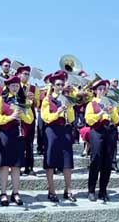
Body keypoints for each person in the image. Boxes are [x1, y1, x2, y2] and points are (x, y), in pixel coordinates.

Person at [0, 75, 34, 206]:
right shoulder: (0, 99)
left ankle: (16, 193)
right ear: (8, 87)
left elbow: (31, 119)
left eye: (17, 85)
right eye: (13, 86)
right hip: (5, 134)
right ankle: (3, 193)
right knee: (4, 165)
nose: (15, 88)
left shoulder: (23, 100)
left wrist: (22, 114)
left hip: (18, 134)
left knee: (16, 165)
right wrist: (10, 117)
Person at [41, 72, 77, 203]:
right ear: (53, 85)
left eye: (62, 84)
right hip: (52, 130)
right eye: (58, 84)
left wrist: (69, 108)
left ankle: (68, 190)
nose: (61, 86)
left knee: (68, 161)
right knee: (50, 160)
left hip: (65, 130)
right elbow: (45, 117)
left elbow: (72, 119)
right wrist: (58, 112)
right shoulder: (47, 99)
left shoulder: (67, 98)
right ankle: (51, 191)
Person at [85, 80, 119, 202]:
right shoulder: (91, 104)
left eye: (103, 89)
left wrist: (112, 112)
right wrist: (101, 112)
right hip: (97, 131)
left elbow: (116, 120)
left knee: (107, 162)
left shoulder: (111, 103)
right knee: (96, 160)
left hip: (110, 131)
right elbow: (89, 120)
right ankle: (91, 190)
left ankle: (103, 190)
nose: (102, 91)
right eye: (99, 89)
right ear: (95, 91)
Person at [16, 65, 40, 176]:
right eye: (24, 74)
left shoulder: (33, 88)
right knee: (19, 143)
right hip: (18, 116)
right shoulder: (15, 86)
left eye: (28, 74)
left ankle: (29, 167)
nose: (27, 76)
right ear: (19, 75)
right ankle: (18, 166)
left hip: (30, 117)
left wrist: (33, 99)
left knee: (29, 143)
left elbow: (37, 104)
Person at [36, 73, 52, 155]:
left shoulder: (54, 90)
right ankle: (40, 147)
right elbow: (41, 99)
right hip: (41, 111)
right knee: (41, 129)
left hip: (51, 113)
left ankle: (47, 146)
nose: (50, 84)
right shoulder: (41, 90)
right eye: (48, 81)